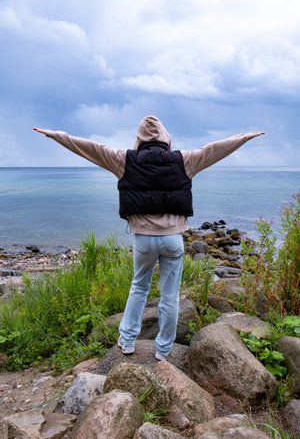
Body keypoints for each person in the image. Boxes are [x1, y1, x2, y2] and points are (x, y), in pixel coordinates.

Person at [34, 116, 264, 360]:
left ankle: (128, 341)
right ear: (166, 138)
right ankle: (163, 350)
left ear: (139, 139)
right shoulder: (184, 160)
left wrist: (54, 134)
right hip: (173, 240)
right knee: (169, 296)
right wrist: (244, 137)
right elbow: (215, 149)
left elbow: (88, 147)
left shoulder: (124, 160)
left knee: (139, 288)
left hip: (144, 240)